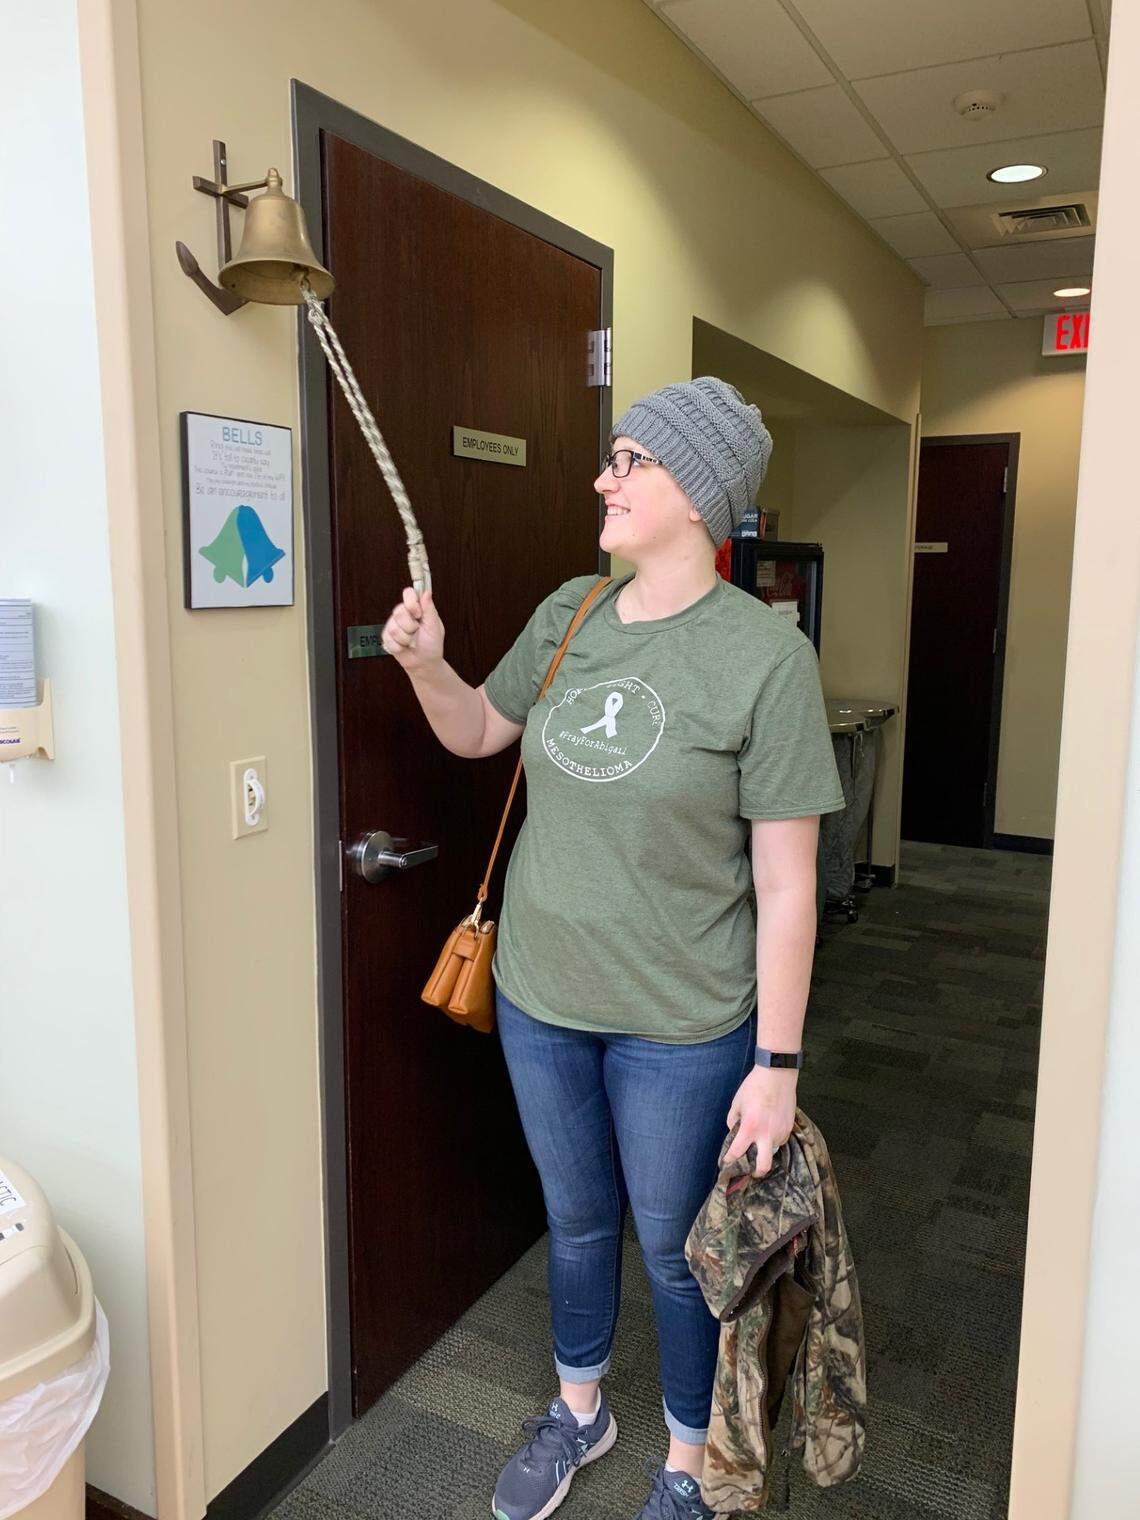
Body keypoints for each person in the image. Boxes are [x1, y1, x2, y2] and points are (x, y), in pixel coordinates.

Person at [380, 377, 845, 1520]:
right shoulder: (572, 611)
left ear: (699, 494)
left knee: (678, 1246)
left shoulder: (764, 660)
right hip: (543, 996)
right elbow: (483, 732)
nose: (604, 477)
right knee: (575, 1216)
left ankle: (688, 1463)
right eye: (613, 458)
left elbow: (789, 884)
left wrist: (775, 1067)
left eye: (631, 460)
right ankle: (580, 1407)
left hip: (683, 1022)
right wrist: (426, 662)